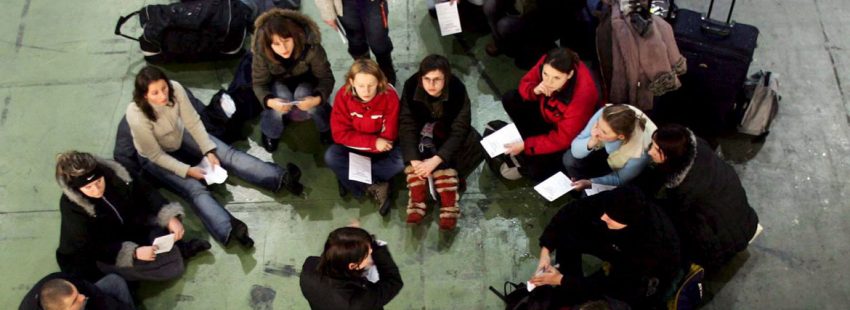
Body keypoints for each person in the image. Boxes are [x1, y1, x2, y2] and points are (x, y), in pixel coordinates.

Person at [126, 66, 304, 249]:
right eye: (155, 93)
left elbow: (193, 122)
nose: (163, 95)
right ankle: (229, 229)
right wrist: (187, 170)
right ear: (144, 96)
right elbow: (155, 154)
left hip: (179, 134)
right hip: (155, 157)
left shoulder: (175, 89)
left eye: (163, 88)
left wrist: (208, 150)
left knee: (227, 154)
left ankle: (281, 177)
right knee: (194, 189)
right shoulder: (136, 116)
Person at [54, 151, 209, 283]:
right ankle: (122, 276)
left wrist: (170, 217)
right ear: (77, 188)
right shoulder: (72, 207)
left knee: (167, 230)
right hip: (106, 248)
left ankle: (179, 250)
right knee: (169, 269)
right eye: (88, 187)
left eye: (99, 181)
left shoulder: (120, 173)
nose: (96, 189)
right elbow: (90, 246)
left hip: (133, 225)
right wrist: (133, 252)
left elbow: (147, 192)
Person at [531, 186, 681, 308]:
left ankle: (571, 289)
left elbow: (616, 284)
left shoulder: (651, 246)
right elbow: (569, 212)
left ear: (627, 223)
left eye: (610, 218)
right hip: (615, 243)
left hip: (639, 276)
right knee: (567, 235)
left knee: (618, 295)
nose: (603, 217)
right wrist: (546, 250)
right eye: (605, 213)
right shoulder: (612, 202)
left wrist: (562, 281)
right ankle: (568, 282)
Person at [639, 124, 761, 269]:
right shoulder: (698, 149)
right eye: (653, 144)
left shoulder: (686, 189)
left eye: (657, 150)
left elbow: (682, 219)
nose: (650, 151)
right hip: (742, 217)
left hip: (723, 240)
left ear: (671, 156)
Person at [398, 54, 484, 230]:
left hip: (447, 132)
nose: (431, 85)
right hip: (424, 133)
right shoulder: (411, 86)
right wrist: (414, 160)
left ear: (446, 78)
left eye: (437, 80)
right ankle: (418, 201)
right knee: (415, 160)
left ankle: (448, 204)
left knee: (462, 152)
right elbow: (407, 123)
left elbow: (459, 129)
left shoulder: (458, 90)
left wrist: (437, 159)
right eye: (427, 79)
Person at [501, 48, 599, 182]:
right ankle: (528, 144)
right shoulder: (549, 62)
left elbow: (562, 139)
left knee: (536, 172)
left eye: (556, 78)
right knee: (511, 98)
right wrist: (534, 91)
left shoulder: (581, 97)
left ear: (569, 75)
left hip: (562, 133)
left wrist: (527, 145)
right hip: (546, 112)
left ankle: (528, 147)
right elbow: (526, 83)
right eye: (545, 74)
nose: (548, 82)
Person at [325, 59, 403, 214]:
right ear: (352, 82)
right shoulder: (343, 96)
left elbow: (389, 135)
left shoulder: (389, 96)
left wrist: (378, 144)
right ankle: (376, 184)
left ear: (379, 82)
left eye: (371, 85)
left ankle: (350, 177)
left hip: (383, 149)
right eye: (360, 85)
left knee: (401, 161)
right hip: (357, 147)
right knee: (331, 156)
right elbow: (339, 134)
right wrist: (373, 142)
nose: (366, 91)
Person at [252, 8, 336, 152]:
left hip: (307, 81)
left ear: (295, 36)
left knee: (308, 99)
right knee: (278, 104)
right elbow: (259, 83)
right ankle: (271, 133)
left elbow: (326, 77)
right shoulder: (262, 52)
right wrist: (271, 102)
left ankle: (326, 128)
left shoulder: (311, 47)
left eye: (286, 40)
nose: (283, 48)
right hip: (278, 83)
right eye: (276, 44)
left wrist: (316, 100)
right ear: (269, 44)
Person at [300, 226, 403, 310]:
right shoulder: (359, 301)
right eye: (368, 254)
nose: (371, 253)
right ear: (353, 266)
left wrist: (354, 241)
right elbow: (393, 282)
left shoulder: (309, 267)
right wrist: (378, 249)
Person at [564, 104, 657, 189]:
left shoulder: (641, 150)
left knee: (596, 190)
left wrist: (591, 183)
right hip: (602, 151)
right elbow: (576, 148)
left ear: (620, 136)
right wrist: (591, 141)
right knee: (569, 159)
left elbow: (620, 178)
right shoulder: (604, 115)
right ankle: (578, 184)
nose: (596, 132)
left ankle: (585, 189)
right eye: (598, 125)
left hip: (616, 167)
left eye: (604, 131)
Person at [483, 0, 594, 68]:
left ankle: (519, 47)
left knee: (504, 26)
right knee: (489, 6)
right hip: (521, 6)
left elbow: (555, 11)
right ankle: (501, 42)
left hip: (545, 17)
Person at [314, 0, 397, 85]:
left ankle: (386, 68)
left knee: (378, 38)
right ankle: (364, 70)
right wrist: (327, 11)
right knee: (355, 40)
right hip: (344, 4)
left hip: (373, 3)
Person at [19, 273, 134, 310]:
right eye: (74, 301)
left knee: (114, 281)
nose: (82, 297)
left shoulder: (63, 279)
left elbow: (96, 295)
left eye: (77, 293)